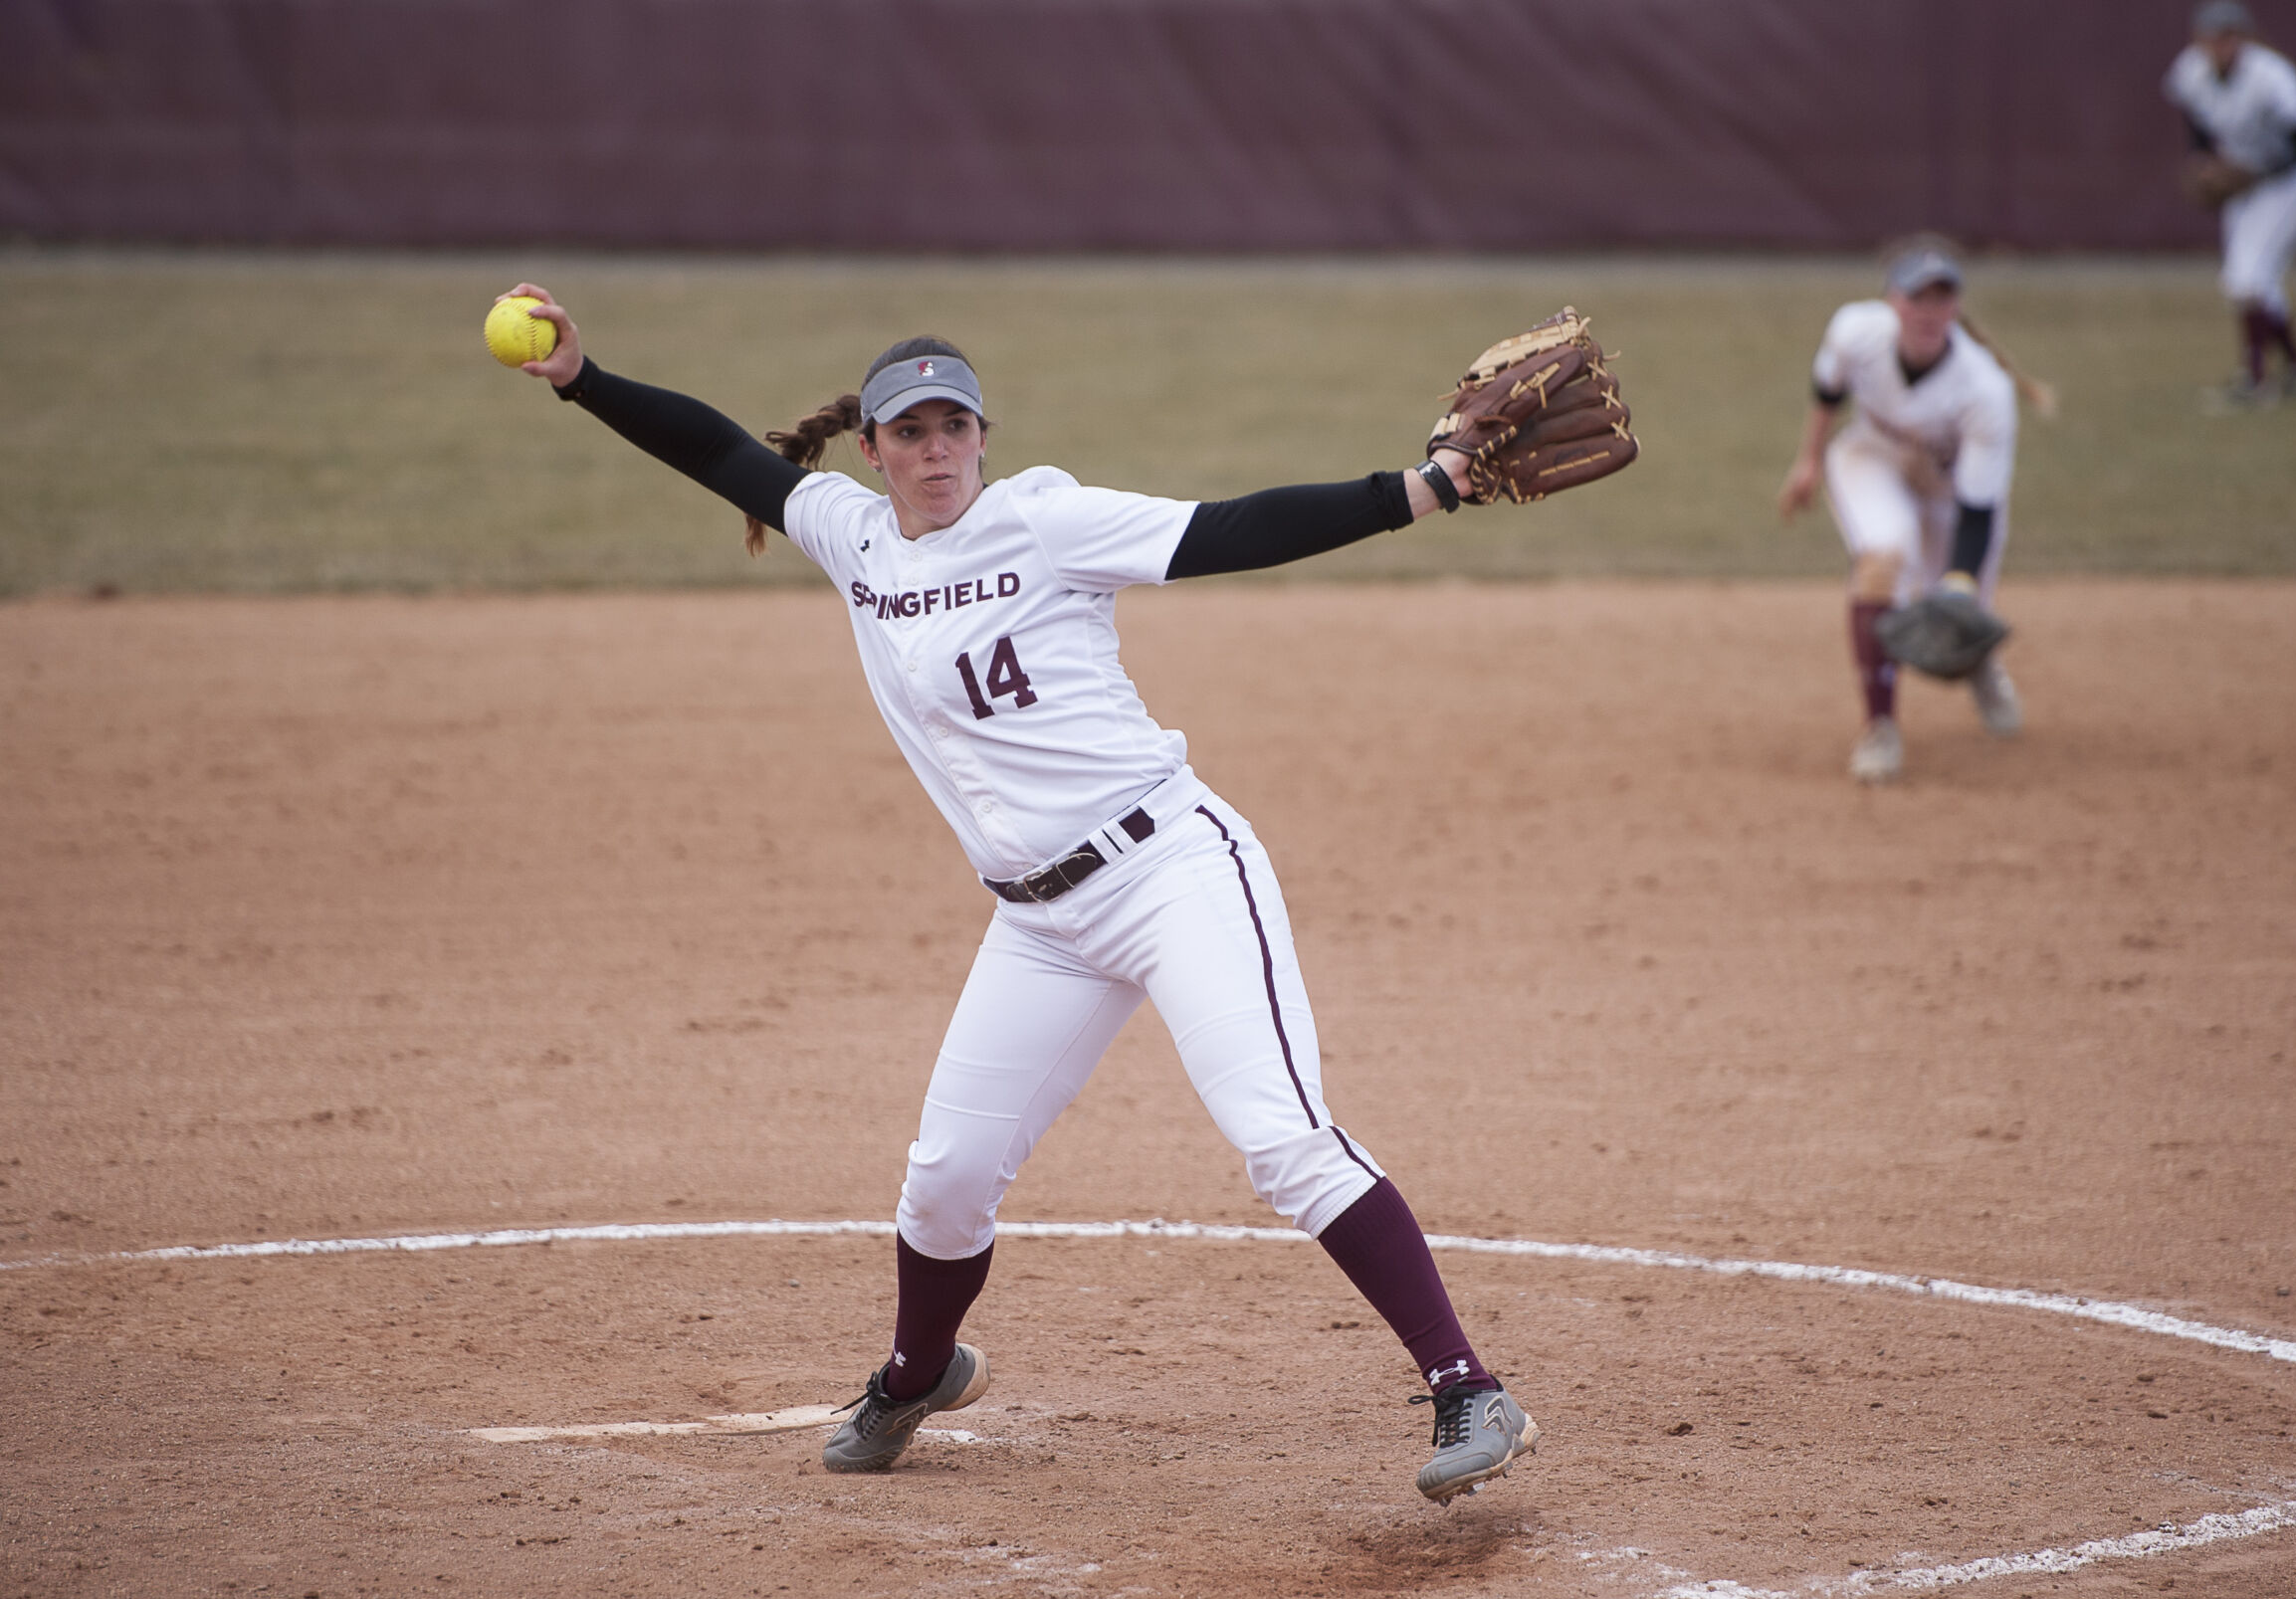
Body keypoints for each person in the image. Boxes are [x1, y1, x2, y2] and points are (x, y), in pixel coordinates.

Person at [496, 285, 1537, 1503]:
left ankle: (1468, 1383)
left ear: (983, 436)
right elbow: (721, 451)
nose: (935, 452)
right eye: (909, 433)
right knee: (944, 1176)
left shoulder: (1047, 520)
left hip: (1169, 869)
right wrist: (583, 379)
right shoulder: (852, 535)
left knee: (1280, 1135)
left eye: (953, 428)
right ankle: (916, 1371)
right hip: (1040, 922)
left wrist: (1421, 488)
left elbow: (1231, 527)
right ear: (873, 447)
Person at [1775, 243, 2053, 785]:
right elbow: (1828, 390)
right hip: (1871, 457)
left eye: (1942, 297)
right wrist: (1807, 461)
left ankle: (1979, 666)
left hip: (1950, 491)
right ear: (1892, 302)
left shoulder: (1985, 392)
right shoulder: (1857, 331)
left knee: (1960, 601)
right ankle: (1880, 726)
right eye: (1917, 297)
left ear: (1956, 307)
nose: (1928, 311)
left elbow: (1977, 510)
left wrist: (1959, 583)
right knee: (1883, 560)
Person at [2164, 0, 2296, 404]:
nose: (2219, 45)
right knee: (2249, 280)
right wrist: (2204, 161)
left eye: (2228, 37)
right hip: (2249, 179)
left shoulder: (2271, 76)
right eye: (2212, 37)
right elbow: (2197, 123)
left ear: (2243, 38)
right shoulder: (2192, 70)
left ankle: (2258, 381)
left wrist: (2248, 175)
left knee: (2248, 277)